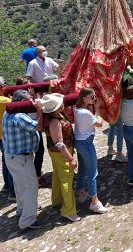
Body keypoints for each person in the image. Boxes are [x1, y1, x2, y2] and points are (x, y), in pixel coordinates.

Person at [2, 90, 44, 230]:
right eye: (28, 100)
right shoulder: (19, 116)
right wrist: (39, 110)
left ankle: (21, 210)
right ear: (21, 102)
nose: (30, 103)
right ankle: (28, 220)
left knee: (20, 186)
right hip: (22, 158)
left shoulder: (8, 112)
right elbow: (37, 126)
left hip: (12, 156)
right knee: (31, 188)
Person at [41, 93, 80, 222]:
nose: (63, 103)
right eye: (60, 103)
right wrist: (71, 159)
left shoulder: (54, 116)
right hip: (62, 153)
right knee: (66, 180)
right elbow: (59, 144)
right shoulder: (55, 122)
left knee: (57, 175)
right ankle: (69, 210)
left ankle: (57, 201)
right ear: (56, 108)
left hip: (56, 153)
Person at [74, 88, 108, 213]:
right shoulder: (86, 113)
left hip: (79, 142)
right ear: (84, 98)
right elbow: (99, 124)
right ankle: (94, 202)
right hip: (86, 143)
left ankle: (81, 193)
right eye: (92, 97)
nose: (94, 99)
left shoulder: (77, 109)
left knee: (82, 169)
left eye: (94, 96)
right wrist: (98, 109)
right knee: (93, 172)